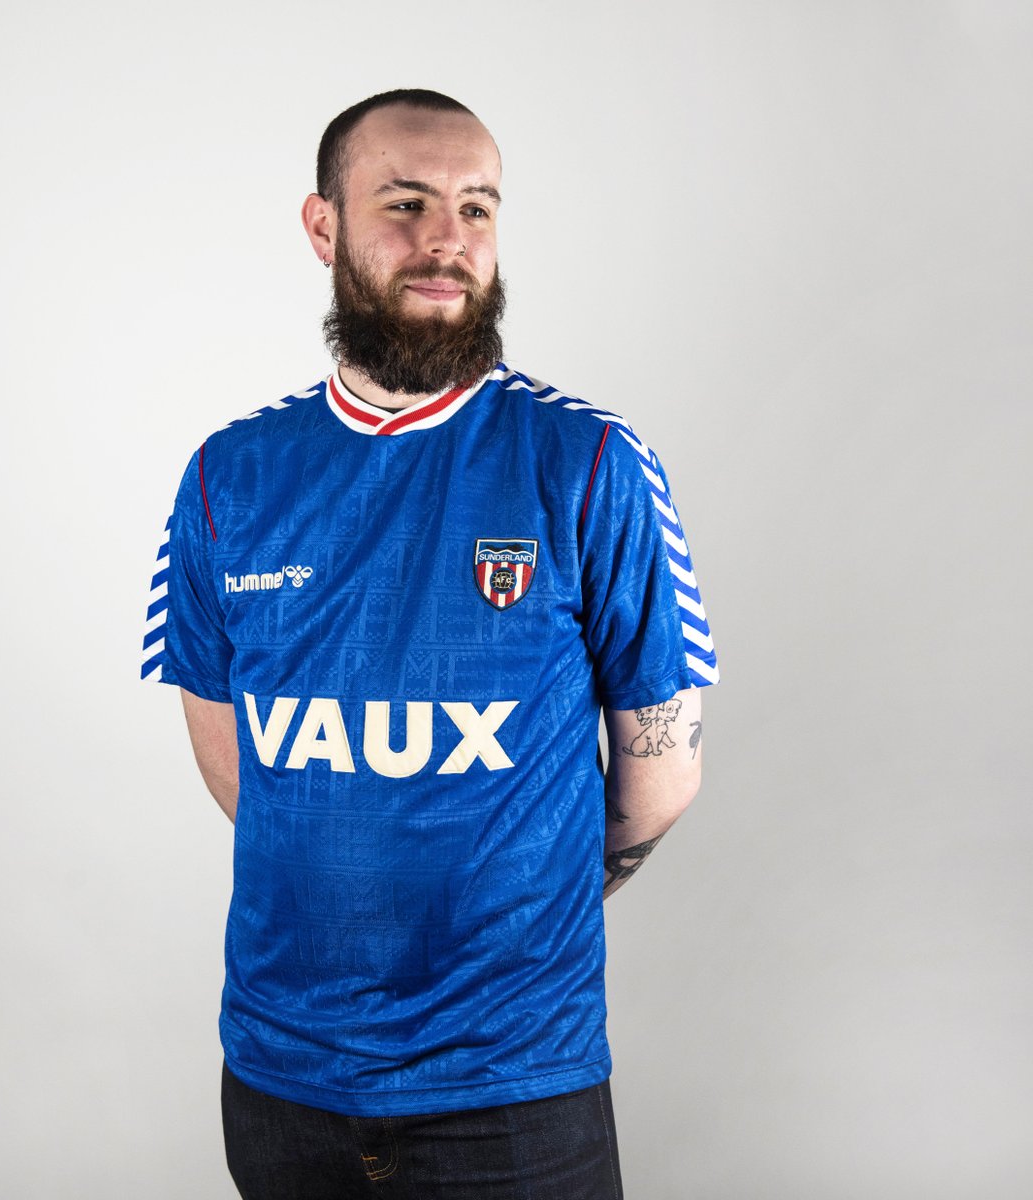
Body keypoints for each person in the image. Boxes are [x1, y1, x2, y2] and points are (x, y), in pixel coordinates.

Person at [142, 88, 719, 1200]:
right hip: (282, 1082)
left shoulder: (590, 461)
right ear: (323, 227)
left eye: (477, 208)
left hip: (511, 1088)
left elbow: (662, 774)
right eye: (405, 204)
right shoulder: (229, 475)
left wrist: (524, 887)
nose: (448, 238)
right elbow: (238, 761)